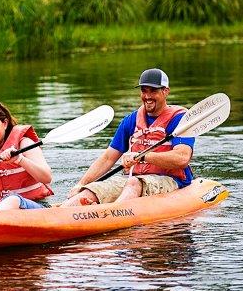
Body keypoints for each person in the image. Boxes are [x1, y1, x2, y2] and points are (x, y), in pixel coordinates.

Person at [63, 67, 194, 206]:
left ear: (166, 91)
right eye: (144, 91)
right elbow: (108, 158)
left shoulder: (179, 120)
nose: (147, 96)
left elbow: (182, 158)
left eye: (153, 91)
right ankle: (64, 212)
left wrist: (143, 156)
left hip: (170, 180)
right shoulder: (131, 121)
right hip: (133, 179)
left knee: (133, 183)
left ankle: (109, 214)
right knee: (90, 191)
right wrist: (81, 184)